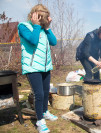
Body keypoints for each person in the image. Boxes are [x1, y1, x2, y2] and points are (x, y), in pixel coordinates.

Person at [18, 4, 57, 133]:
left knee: (46, 92)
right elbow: (33, 41)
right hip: (32, 67)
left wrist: (47, 27)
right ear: (34, 15)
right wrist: (36, 25)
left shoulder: (42, 29)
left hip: (45, 66)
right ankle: (40, 121)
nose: (42, 20)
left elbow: (54, 42)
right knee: (39, 94)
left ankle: (45, 112)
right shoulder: (24, 26)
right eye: (41, 17)